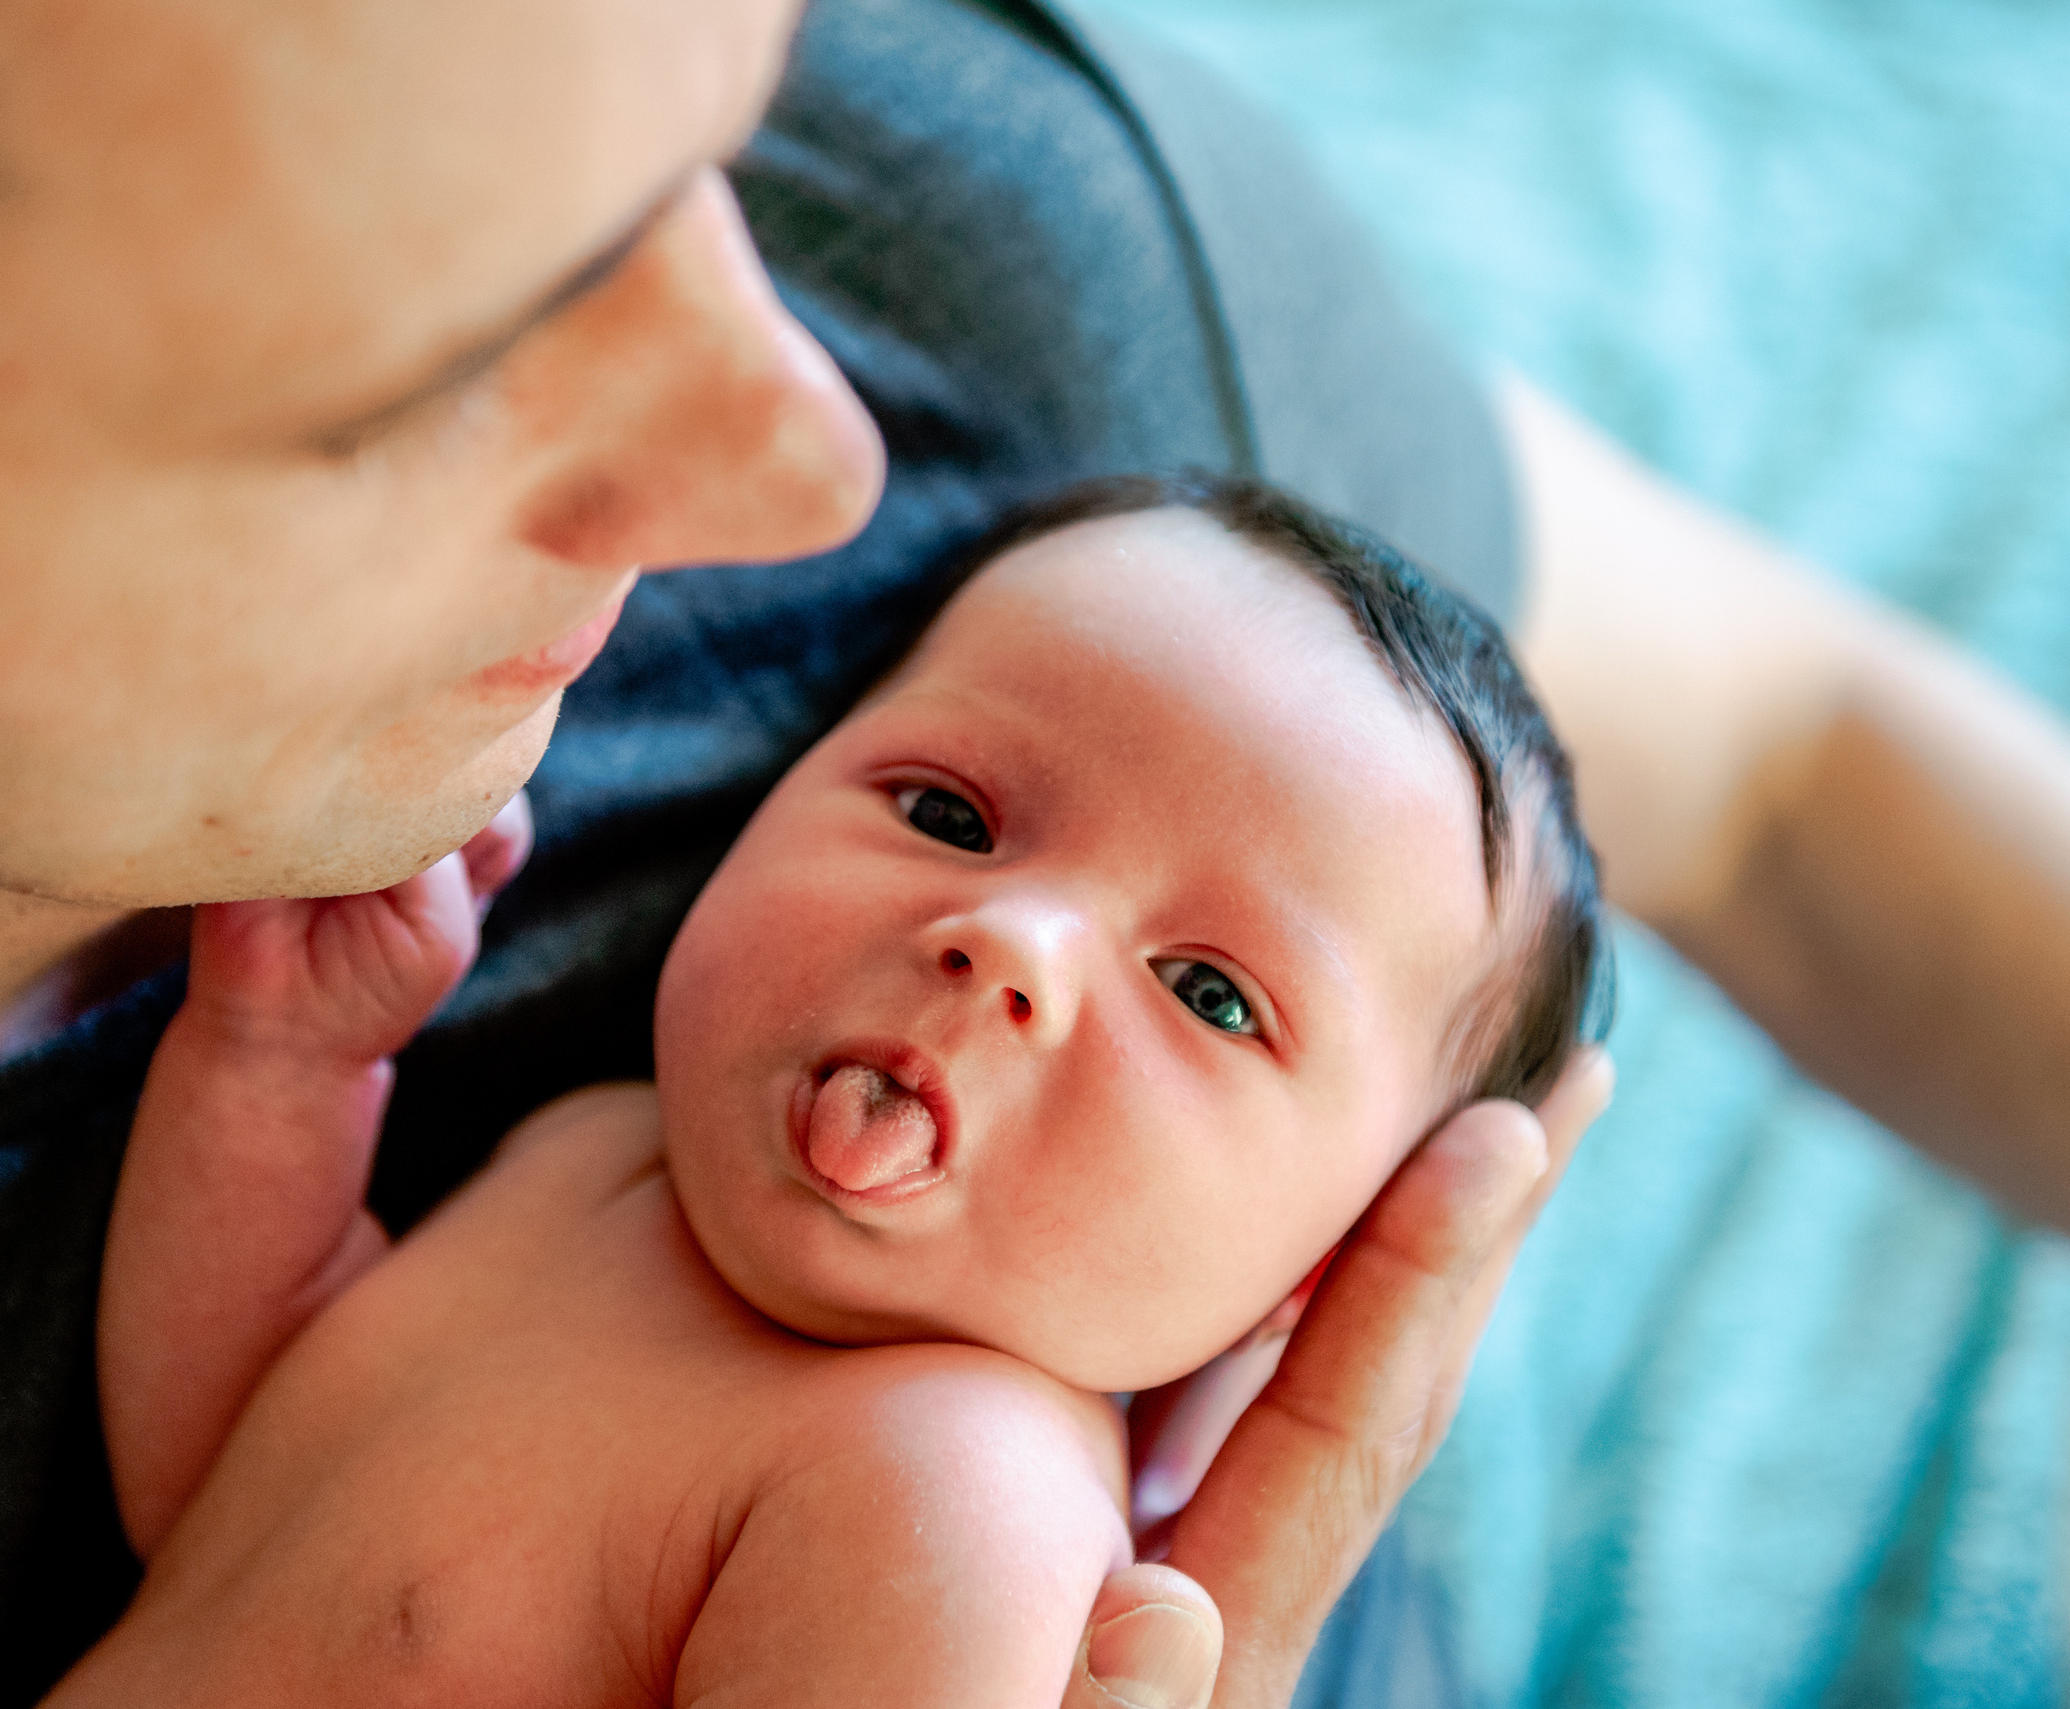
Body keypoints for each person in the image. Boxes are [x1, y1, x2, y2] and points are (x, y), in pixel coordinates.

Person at [0, 0, 2061, 1705]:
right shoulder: (607, 1191)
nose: (807, 457)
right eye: (437, 366)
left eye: (714, 137)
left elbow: (1771, 759)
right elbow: (254, 1482)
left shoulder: (1013, 353)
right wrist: (276, 1074)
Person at [80, 476, 1611, 1706]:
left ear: (1312, 1277)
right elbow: (217, 1497)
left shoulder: (959, 1497)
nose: (1009, 938)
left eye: (1209, 991)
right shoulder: (595, 1157)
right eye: (947, 812)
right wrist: (277, 1066)